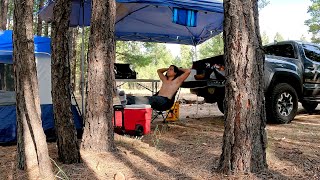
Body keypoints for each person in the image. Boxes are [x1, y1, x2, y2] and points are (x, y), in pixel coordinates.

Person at [125, 65, 191, 111]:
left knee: (150, 99)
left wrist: (178, 68)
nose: (168, 71)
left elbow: (188, 71)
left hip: (165, 102)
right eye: (168, 69)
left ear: (175, 72)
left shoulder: (177, 80)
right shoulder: (165, 79)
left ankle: (127, 101)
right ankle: (126, 99)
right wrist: (168, 68)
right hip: (157, 99)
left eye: (171, 70)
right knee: (144, 98)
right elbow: (159, 71)